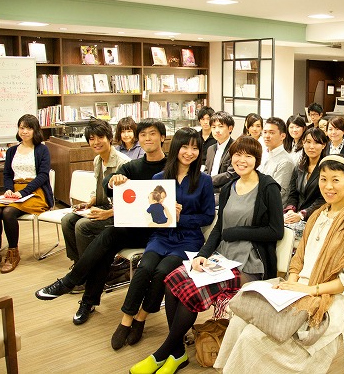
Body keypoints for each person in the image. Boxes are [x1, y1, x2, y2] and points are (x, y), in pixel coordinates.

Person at [129, 136, 283, 374]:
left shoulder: (268, 187)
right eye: (238, 155)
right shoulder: (230, 187)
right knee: (173, 281)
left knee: (191, 292)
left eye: (248, 156)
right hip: (224, 258)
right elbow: (219, 229)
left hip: (251, 263)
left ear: (257, 159)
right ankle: (178, 353)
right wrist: (201, 255)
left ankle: (163, 352)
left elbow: (276, 230)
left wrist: (235, 233)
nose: (242, 160)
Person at [214, 155, 344, 373]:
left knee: (253, 337)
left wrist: (307, 290)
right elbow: (298, 260)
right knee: (240, 318)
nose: (328, 186)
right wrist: (290, 285)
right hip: (299, 288)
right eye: (323, 179)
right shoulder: (318, 215)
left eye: (336, 180)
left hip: (327, 298)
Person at [35, 119, 168, 325]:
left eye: (152, 134)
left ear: (162, 137)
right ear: (138, 138)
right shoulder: (133, 166)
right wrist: (113, 180)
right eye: (143, 135)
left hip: (161, 231)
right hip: (137, 227)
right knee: (107, 240)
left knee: (102, 236)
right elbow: (108, 183)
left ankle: (73, 283)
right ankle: (86, 299)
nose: (147, 138)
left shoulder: (171, 166)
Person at [111, 127, 215, 350]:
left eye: (195, 148)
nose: (189, 152)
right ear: (176, 147)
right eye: (185, 147)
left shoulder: (204, 180)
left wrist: (181, 217)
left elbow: (208, 216)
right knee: (145, 267)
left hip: (188, 239)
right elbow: (146, 210)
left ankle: (141, 317)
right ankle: (126, 320)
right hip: (161, 235)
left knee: (162, 271)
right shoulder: (159, 178)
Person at [0, 114, 53, 274]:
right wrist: (9, 189)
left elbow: (43, 175)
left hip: (35, 191)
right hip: (14, 191)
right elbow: (7, 174)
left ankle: (13, 254)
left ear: (35, 130)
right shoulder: (11, 150)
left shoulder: (42, 149)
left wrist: (23, 192)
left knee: (8, 212)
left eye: (29, 128)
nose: (24, 131)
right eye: (22, 127)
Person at [61, 120, 130, 270]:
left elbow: (131, 202)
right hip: (104, 206)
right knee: (67, 220)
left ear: (109, 138)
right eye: (91, 139)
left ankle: (90, 271)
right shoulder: (98, 159)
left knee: (82, 226)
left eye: (100, 137)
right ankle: (79, 265)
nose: (96, 142)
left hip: (120, 212)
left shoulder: (123, 163)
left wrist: (108, 213)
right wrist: (90, 202)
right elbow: (98, 187)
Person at [284, 127, 328, 223]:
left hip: (316, 218)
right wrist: (291, 210)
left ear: (323, 145)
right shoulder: (299, 167)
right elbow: (293, 193)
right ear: (303, 143)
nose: (311, 146)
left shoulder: (327, 169)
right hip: (296, 217)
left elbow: (323, 199)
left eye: (316, 143)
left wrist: (302, 214)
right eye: (308, 142)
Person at [258, 117, 295, 205]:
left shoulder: (285, 161)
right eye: (265, 132)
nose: (266, 136)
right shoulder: (264, 154)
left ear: (283, 136)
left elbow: (277, 193)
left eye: (271, 133)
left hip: (271, 208)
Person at [204, 111, 237, 193]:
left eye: (221, 126)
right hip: (208, 189)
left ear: (230, 128)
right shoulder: (211, 149)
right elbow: (207, 170)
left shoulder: (236, 148)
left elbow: (231, 174)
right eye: (213, 127)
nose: (217, 130)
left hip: (225, 191)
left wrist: (208, 180)